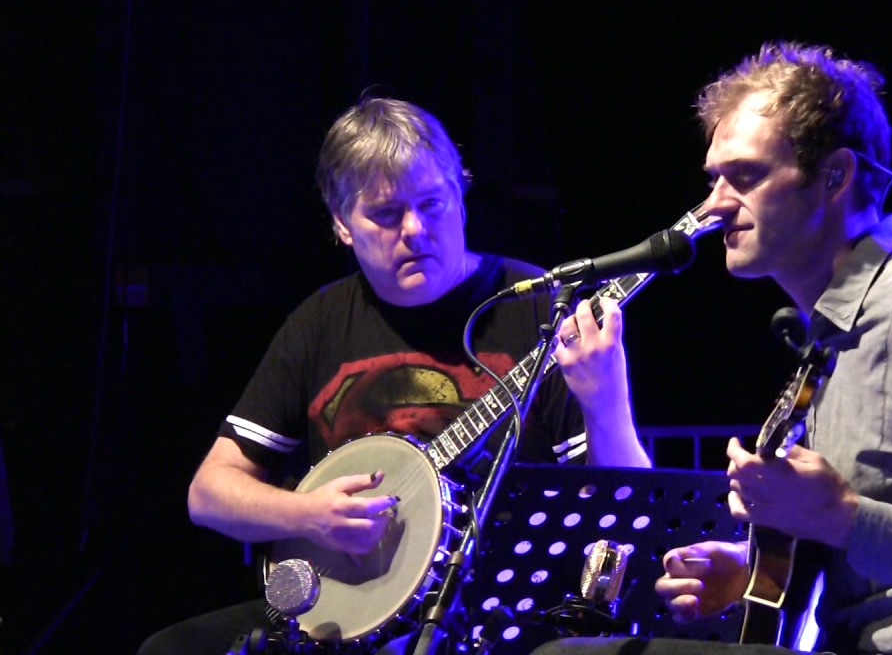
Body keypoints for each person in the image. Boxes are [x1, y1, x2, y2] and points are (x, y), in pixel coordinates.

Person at [535, 42, 892, 655]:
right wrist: (747, 566)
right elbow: (865, 520)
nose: (714, 205)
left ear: (835, 175)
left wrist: (845, 517)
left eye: (747, 176)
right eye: (714, 179)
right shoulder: (834, 330)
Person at [138, 97, 649, 655]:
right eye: (385, 214)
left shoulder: (542, 311)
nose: (414, 229)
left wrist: (607, 403)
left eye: (433, 203)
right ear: (341, 224)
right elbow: (208, 493)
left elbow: (628, 507)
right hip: (345, 618)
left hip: (500, 617)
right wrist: (311, 516)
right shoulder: (320, 322)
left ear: (462, 196)